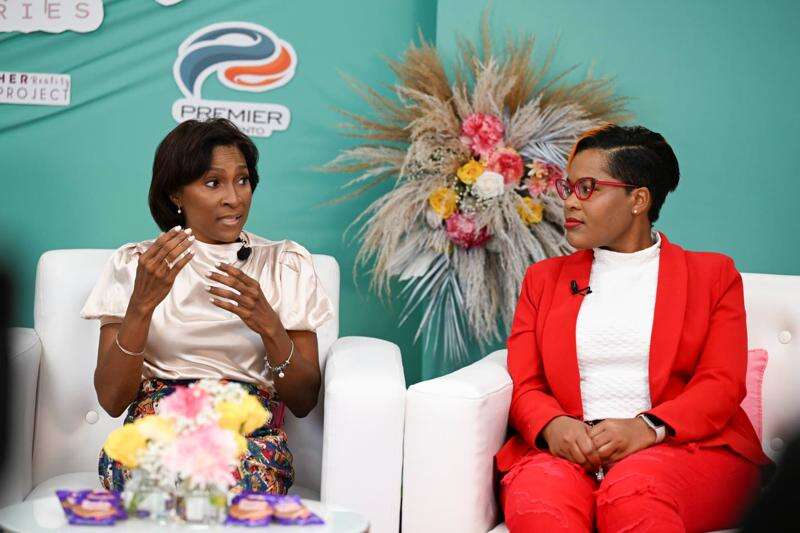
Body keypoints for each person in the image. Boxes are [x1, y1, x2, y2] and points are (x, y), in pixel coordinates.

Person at [497, 125, 770, 532]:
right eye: (568, 187)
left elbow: (721, 384)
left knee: (633, 494)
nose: (569, 202)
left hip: (684, 448)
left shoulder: (713, 276)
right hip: (568, 452)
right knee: (541, 506)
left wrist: (647, 428)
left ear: (638, 199)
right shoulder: (543, 280)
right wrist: (554, 426)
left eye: (587, 188)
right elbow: (525, 383)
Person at [81, 118, 333, 493]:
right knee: (157, 472)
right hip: (157, 436)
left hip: (245, 444)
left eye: (242, 180)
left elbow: (303, 400)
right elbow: (112, 400)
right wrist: (141, 307)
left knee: (216, 480)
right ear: (175, 194)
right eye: (213, 183)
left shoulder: (283, 263)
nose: (234, 197)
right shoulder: (137, 264)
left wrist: (268, 325)